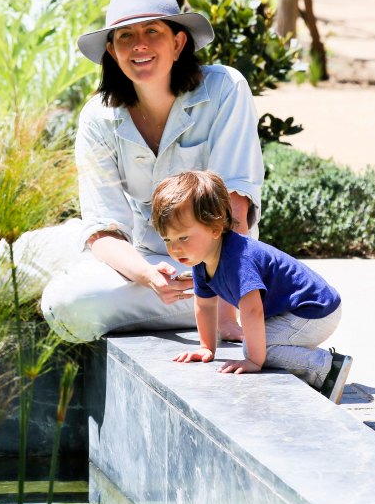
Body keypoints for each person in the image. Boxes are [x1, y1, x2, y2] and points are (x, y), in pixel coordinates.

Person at [41, 0, 264, 344]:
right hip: (141, 263)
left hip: (219, 265)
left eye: (152, 31)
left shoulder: (226, 89)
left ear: (178, 42)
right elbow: (104, 231)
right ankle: (190, 308)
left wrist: (225, 311)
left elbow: (234, 211)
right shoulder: (98, 117)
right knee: (65, 303)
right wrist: (147, 275)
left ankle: (216, 306)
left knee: (76, 301)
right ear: (112, 50)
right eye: (125, 36)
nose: (139, 45)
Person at [150, 170, 353, 403]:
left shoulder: (238, 259)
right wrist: (207, 348)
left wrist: (254, 361)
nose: (175, 248)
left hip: (315, 311)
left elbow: (252, 311)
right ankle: (313, 363)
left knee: (257, 349)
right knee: (258, 344)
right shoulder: (201, 259)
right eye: (168, 240)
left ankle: (326, 368)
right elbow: (205, 306)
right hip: (294, 311)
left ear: (215, 229)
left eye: (183, 238)